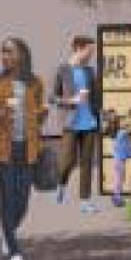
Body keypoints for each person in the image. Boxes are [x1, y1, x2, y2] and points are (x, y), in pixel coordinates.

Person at [0, 37, 47, 260]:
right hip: (3, 149)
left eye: (9, 52)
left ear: (21, 54)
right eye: (2, 52)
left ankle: (7, 230)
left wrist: (42, 113)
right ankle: (14, 251)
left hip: (28, 148)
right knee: (7, 198)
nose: (4, 56)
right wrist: (0, 113)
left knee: (22, 201)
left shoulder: (35, 82)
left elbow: (39, 114)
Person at [52, 34, 102, 213]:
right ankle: (61, 184)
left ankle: (85, 201)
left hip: (89, 123)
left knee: (87, 163)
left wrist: (100, 118)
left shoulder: (90, 71)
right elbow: (53, 97)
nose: (91, 54)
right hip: (71, 124)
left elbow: (97, 97)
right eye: (90, 50)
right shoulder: (63, 70)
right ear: (78, 49)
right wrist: (71, 100)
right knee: (68, 161)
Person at [109, 112, 131, 208]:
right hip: (119, 160)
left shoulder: (117, 133)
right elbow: (130, 129)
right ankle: (117, 197)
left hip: (118, 159)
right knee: (119, 179)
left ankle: (117, 196)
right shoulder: (121, 133)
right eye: (121, 121)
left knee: (119, 178)